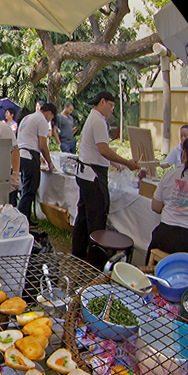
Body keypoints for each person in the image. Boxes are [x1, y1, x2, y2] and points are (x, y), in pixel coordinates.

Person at [71, 91, 138, 267]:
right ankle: (94, 261)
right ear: (103, 102)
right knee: (96, 217)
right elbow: (103, 149)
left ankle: (78, 253)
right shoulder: (98, 120)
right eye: (111, 106)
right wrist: (125, 161)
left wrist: (117, 164)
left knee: (84, 215)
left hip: (86, 172)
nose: (111, 111)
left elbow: (100, 151)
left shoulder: (93, 118)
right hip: (93, 175)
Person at [16, 101, 56, 223]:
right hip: (29, 156)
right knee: (30, 189)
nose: (50, 120)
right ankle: (21, 220)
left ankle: (26, 218)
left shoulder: (28, 117)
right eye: (52, 117)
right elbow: (43, 145)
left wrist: (38, 156)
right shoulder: (42, 120)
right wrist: (50, 163)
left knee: (26, 188)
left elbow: (27, 139)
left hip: (21, 154)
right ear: (49, 113)